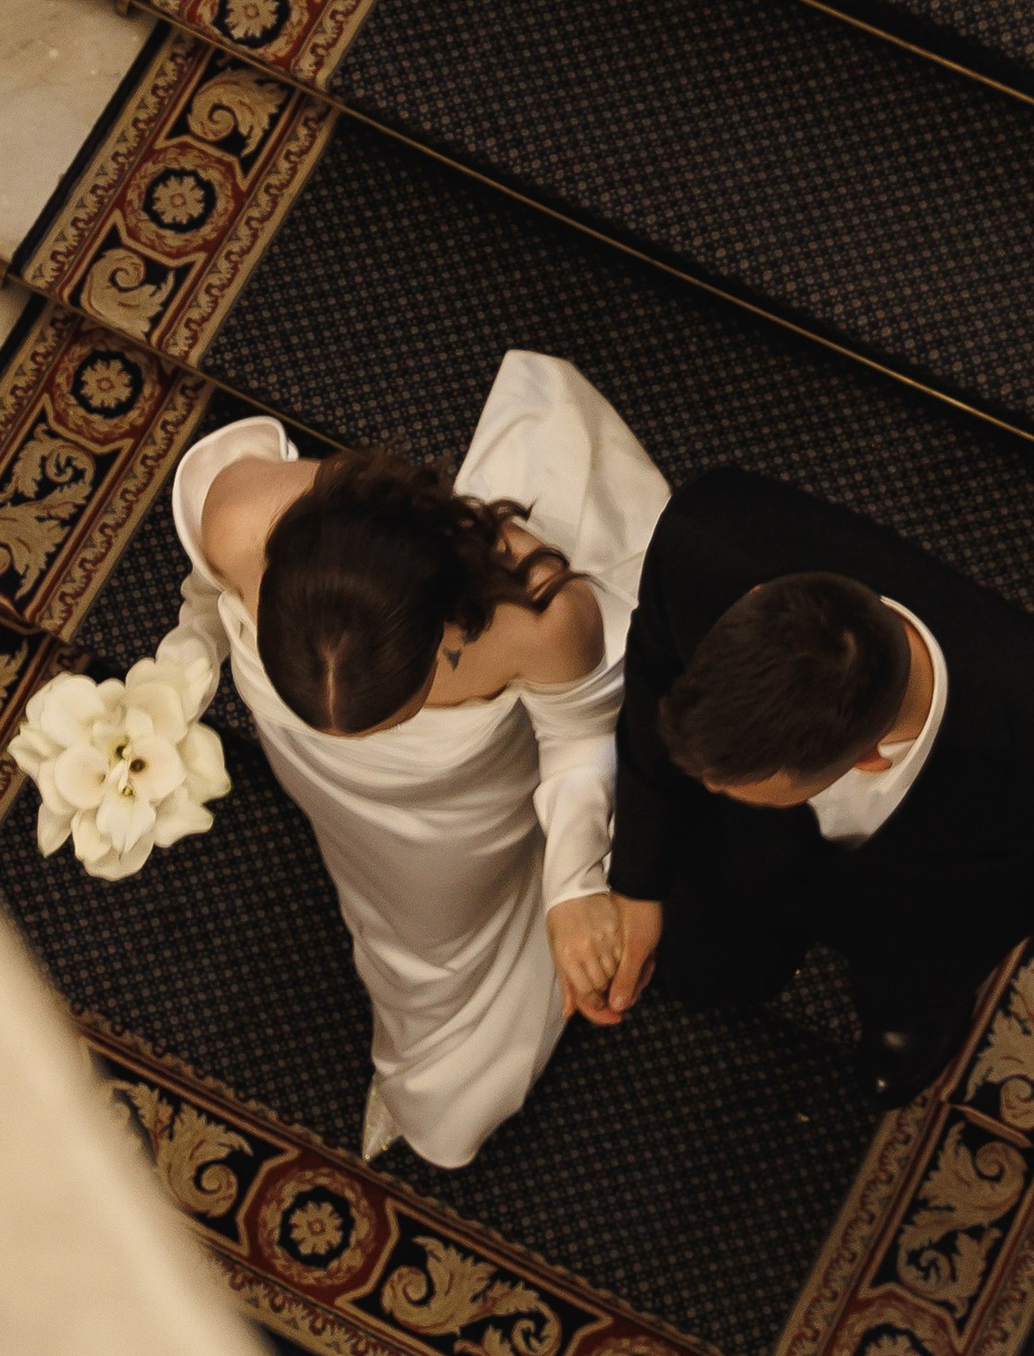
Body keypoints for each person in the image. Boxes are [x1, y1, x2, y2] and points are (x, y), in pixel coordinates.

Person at [162, 354, 669, 1167]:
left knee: (436, 941)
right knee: (367, 890)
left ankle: (453, 1069)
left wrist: (574, 884)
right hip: (323, 791)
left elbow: (580, 738)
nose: (349, 737)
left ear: (444, 623)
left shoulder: (539, 616)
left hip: (461, 813)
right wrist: (179, 673)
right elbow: (205, 588)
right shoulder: (240, 516)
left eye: (389, 712)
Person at [591, 467, 1034, 1104]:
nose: (706, 785)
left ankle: (909, 1014)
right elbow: (652, 680)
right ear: (753, 598)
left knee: (915, 963)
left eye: (735, 783)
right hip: (754, 846)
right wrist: (637, 882)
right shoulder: (704, 542)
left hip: (933, 896)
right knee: (708, 966)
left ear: (869, 759)